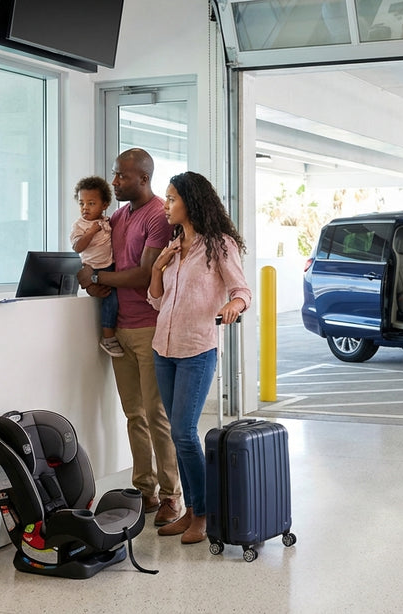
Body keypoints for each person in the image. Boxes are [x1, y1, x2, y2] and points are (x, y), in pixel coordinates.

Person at [77, 149, 182, 527]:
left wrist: (98, 279)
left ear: (143, 178)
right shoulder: (118, 216)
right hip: (120, 328)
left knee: (157, 415)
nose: (115, 181)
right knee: (133, 413)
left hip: (150, 328)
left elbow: (142, 274)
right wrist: (89, 278)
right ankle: (145, 490)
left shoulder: (158, 216)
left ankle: (172, 496)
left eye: (121, 176)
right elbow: (101, 264)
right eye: (115, 174)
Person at [148, 171, 250, 545]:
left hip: (198, 347)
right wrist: (159, 266)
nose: (166, 205)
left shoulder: (219, 245)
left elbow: (241, 289)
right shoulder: (175, 244)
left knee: (184, 432)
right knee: (178, 435)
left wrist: (234, 305)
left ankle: (204, 514)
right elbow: (156, 301)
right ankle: (191, 510)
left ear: (191, 201)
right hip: (164, 347)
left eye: (171, 198)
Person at [70, 176, 122, 357]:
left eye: (91, 203)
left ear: (105, 204)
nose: (85, 208)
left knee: (115, 298)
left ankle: (113, 332)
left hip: (110, 265)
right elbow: (77, 247)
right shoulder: (80, 225)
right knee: (110, 299)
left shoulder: (108, 222)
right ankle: (108, 337)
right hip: (93, 268)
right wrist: (91, 231)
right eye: (82, 203)